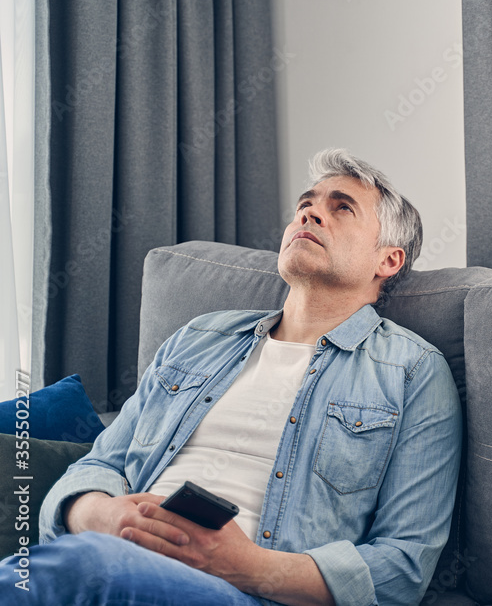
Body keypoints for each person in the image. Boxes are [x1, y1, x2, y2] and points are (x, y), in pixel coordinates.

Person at [2, 149, 462, 606]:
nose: (311, 214)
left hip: (247, 592)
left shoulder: (413, 373)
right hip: (112, 556)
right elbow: (99, 465)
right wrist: (99, 514)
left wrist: (243, 566)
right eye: (306, 204)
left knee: (77, 568)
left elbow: (403, 567)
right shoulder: (199, 337)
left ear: (389, 261)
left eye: (341, 207)